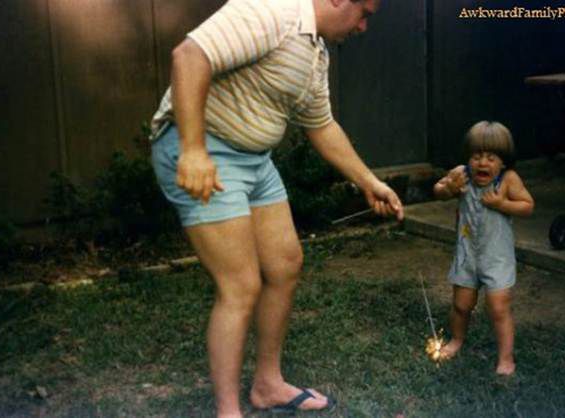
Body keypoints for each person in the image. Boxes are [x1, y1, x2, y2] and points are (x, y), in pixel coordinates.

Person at [149, 0, 403, 416]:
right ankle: (227, 411)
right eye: (364, 13)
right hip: (206, 148)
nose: (363, 27)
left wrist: (369, 181)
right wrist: (193, 150)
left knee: (285, 263)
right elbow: (189, 55)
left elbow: (320, 124)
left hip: (253, 158)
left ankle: (267, 384)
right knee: (241, 284)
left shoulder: (315, 50)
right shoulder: (274, 11)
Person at [432, 121, 534, 376]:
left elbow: (527, 206)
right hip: (467, 254)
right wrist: (449, 188)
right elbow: (437, 190)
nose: (482, 163)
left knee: (498, 307)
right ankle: (456, 340)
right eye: (476, 156)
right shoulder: (461, 173)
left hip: (496, 257)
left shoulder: (508, 180)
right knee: (461, 305)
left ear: (503, 162)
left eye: (491, 157)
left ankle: (506, 358)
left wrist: (502, 204)